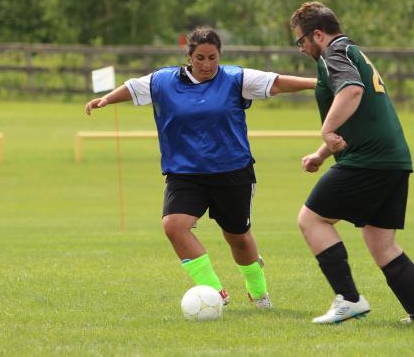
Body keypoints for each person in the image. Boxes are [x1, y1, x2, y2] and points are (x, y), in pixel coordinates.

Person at [85, 27, 316, 309]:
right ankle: (215, 292)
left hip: (231, 171)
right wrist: (107, 99)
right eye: (200, 57)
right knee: (174, 226)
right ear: (189, 56)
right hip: (184, 173)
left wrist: (318, 83)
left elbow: (277, 83)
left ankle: (258, 292)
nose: (207, 64)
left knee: (238, 238)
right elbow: (133, 86)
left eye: (213, 57)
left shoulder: (235, 78)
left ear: (220, 56)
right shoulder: (163, 81)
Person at [290, 1, 414, 325]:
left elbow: (352, 92)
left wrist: (326, 129)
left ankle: (349, 299)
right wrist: (322, 152)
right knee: (381, 242)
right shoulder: (351, 51)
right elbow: (357, 115)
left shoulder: (333, 54)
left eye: (300, 40)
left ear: (317, 34)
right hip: (393, 159)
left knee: (311, 219)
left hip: (369, 160)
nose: (301, 48)